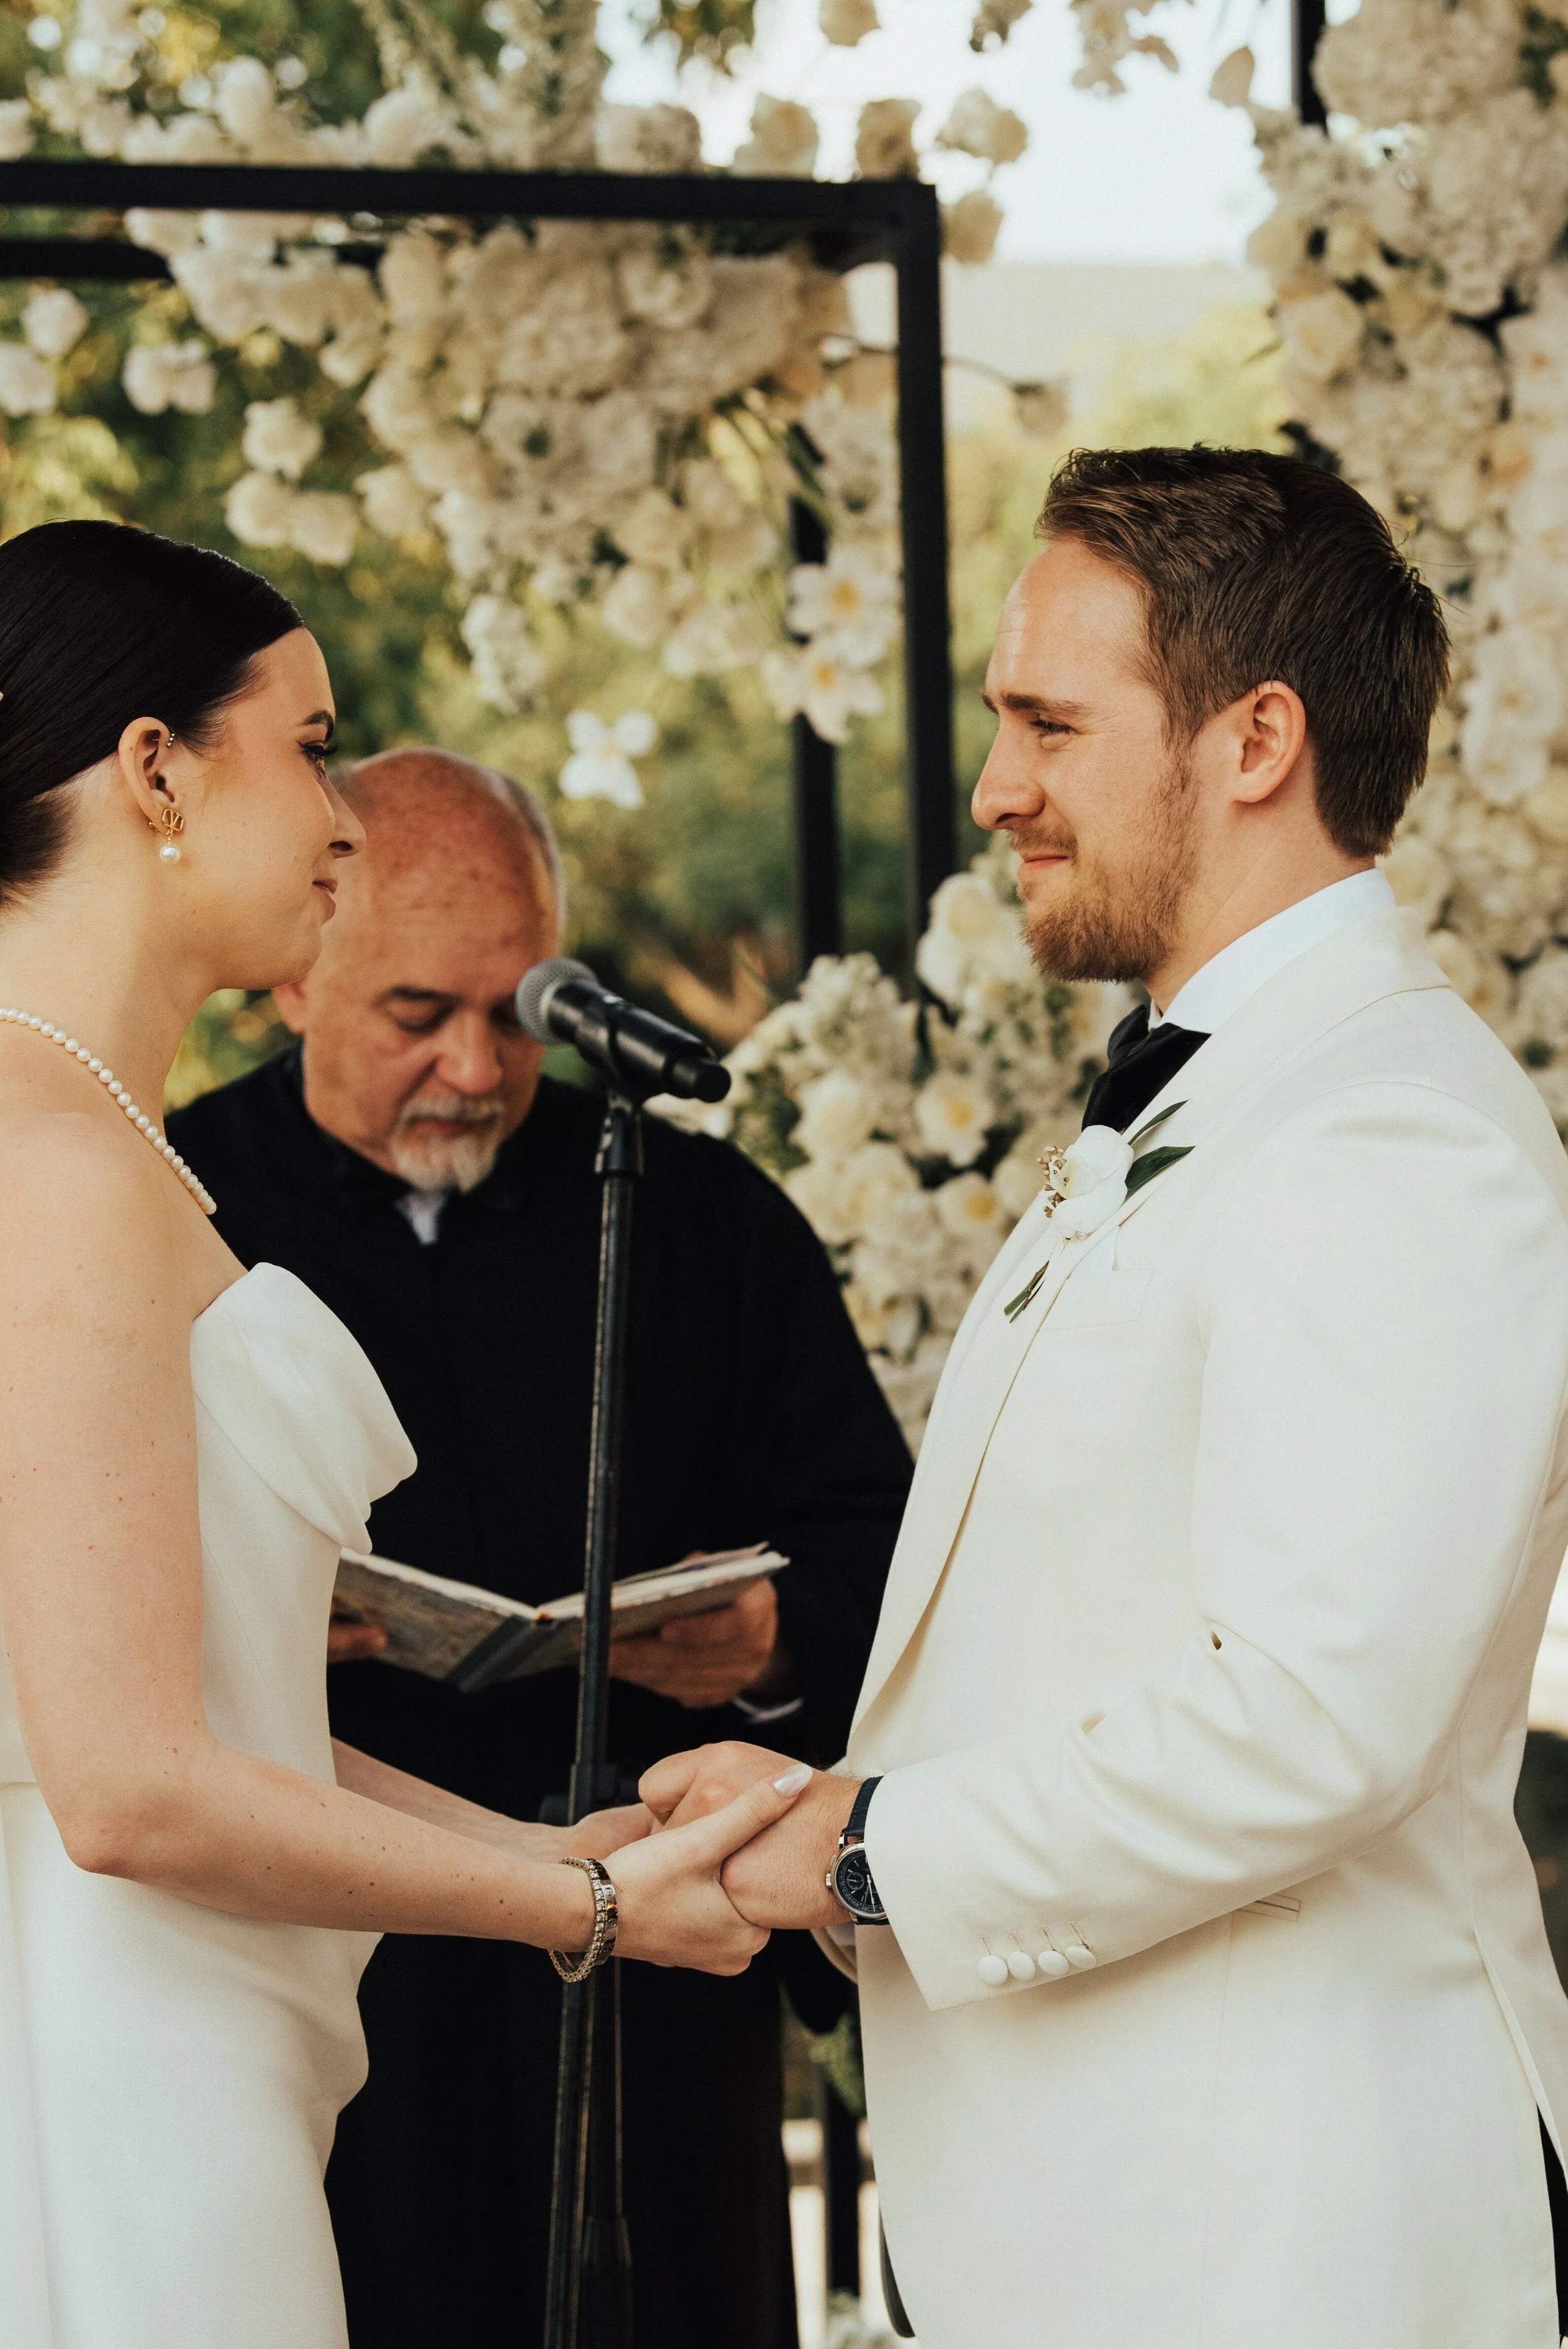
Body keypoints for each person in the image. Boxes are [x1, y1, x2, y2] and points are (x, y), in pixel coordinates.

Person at [642, 445, 1568, 2348]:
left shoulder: (1385, 1127)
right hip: (1120, 2226)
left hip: (1274, 2244)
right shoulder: (1223, 1092)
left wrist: (873, 1851)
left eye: (1049, 725)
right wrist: (841, 1802)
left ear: (1253, 742)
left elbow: (1315, 1715)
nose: (996, 790)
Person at [0, 520, 817, 2349]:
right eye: (305, 746)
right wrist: (588, 1908)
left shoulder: (85, 1132)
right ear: (154, 772)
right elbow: (130, 1789)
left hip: (195, 2018)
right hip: (117, 2054)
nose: (341, 821)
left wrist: (564, 1865)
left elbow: (207, 1717)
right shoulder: (47, 1159)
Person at [166, 746, 911, 2349]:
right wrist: (240, 1627)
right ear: (296, 982)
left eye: (516, 1011)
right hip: (325, 1955)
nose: (477, 1066)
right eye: (415, 1014)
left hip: (641, 1959)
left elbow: (879, 1540)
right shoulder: (175, 1210)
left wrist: (771, 1646)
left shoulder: (698, 1218)